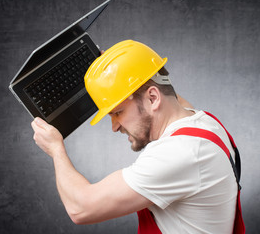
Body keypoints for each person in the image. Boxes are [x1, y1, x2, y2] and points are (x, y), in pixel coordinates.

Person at [31, 40, 240, 233]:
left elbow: (80, 208)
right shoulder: (201, 122)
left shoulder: (179, 154)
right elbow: (166, 92)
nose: (114, 127)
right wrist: (115, 73)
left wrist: (56, 149)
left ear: (152, 98)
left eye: (118, 112)